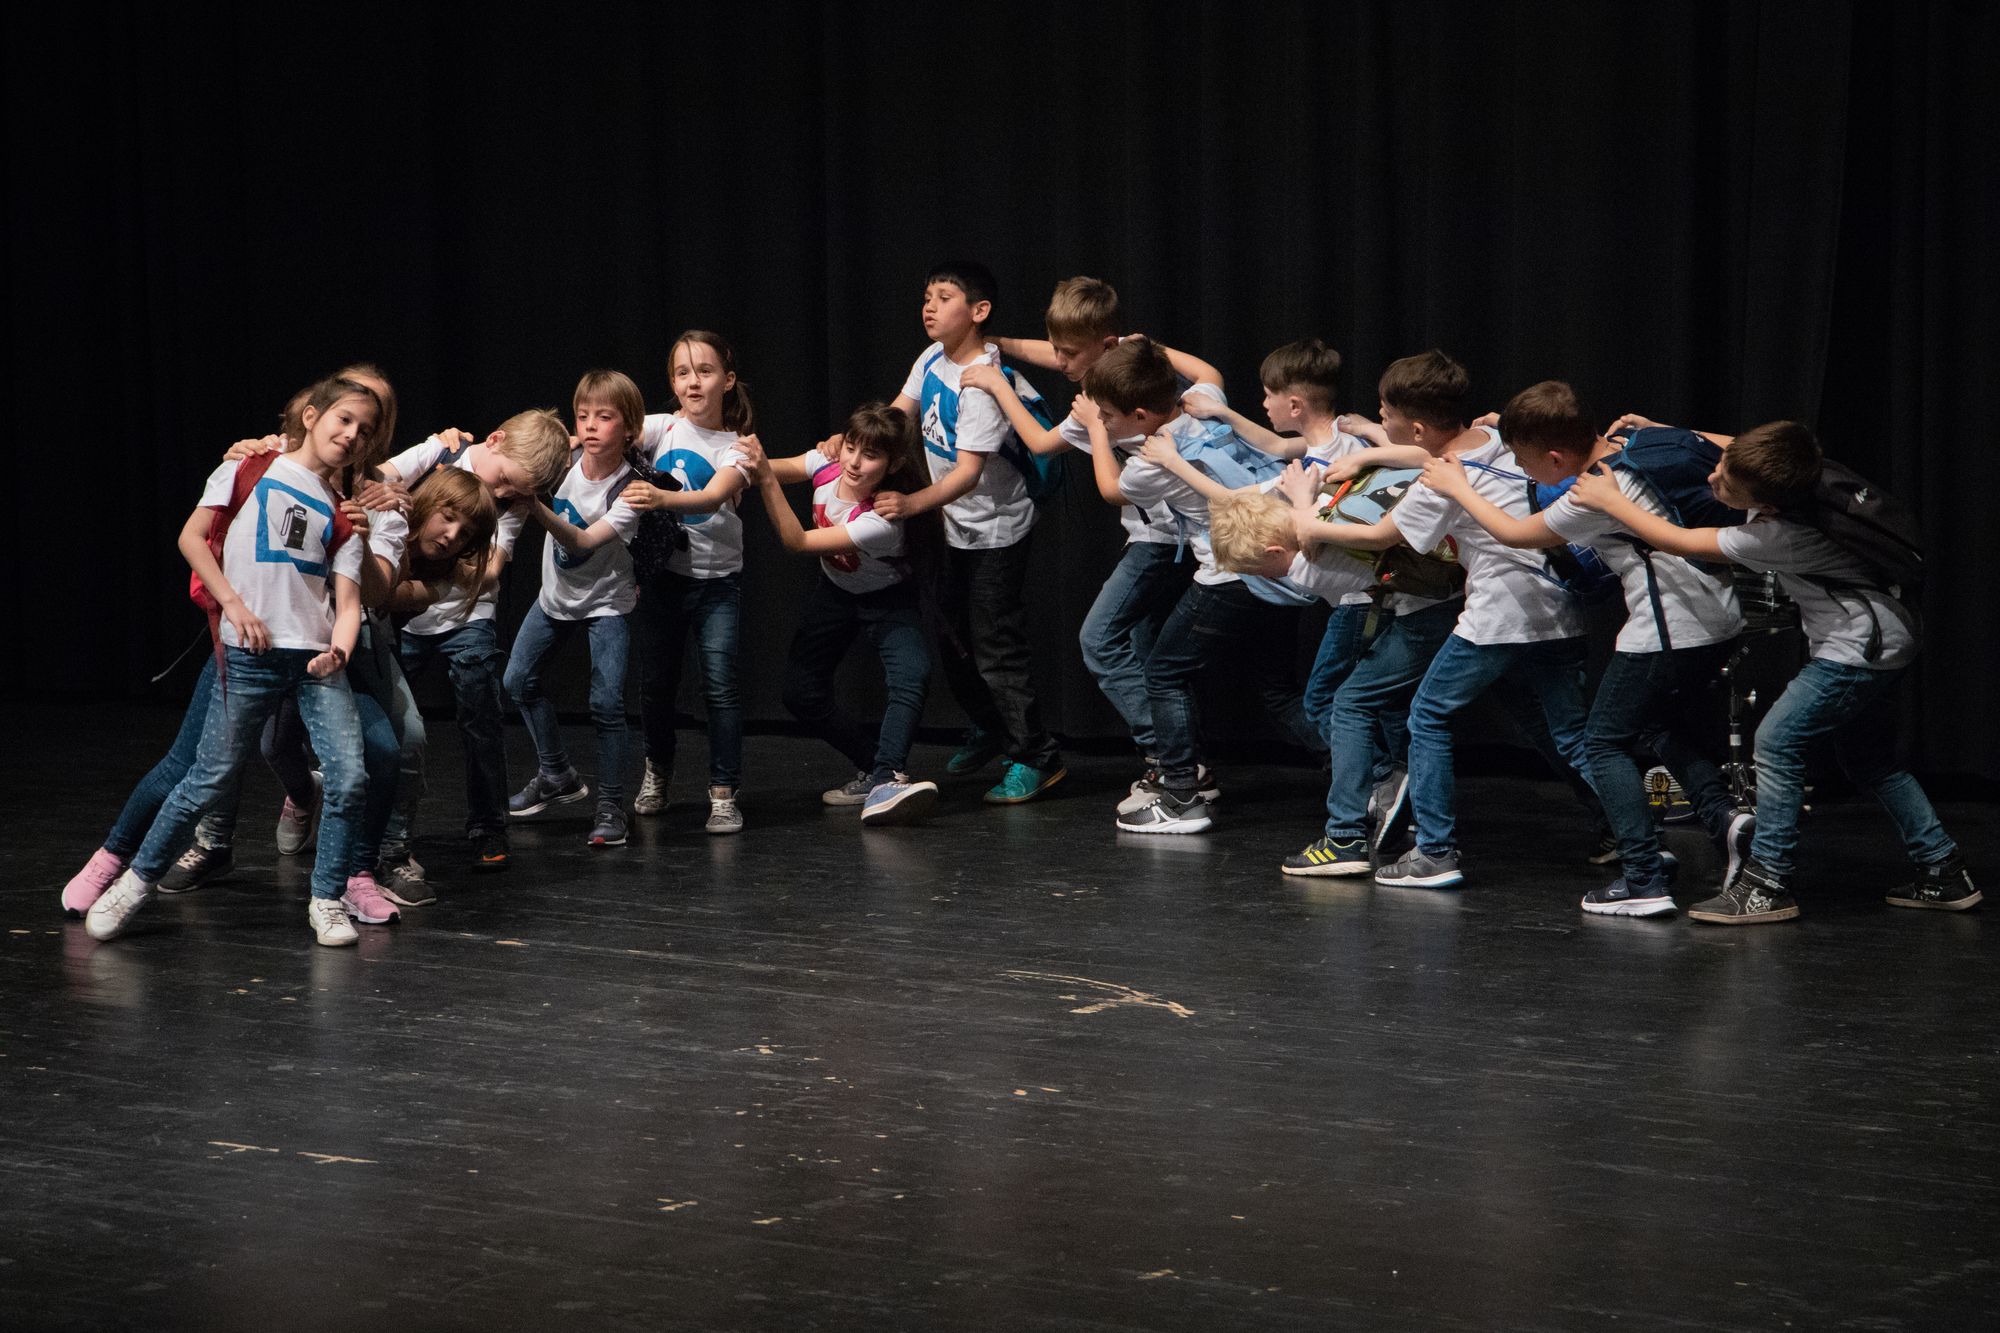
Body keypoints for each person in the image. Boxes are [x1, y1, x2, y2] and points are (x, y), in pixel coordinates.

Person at [1569, 420, 1979, 921]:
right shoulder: (1810, 473)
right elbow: (1732, 448)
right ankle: (1943, 869)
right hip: (1891, 632)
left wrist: (1613, 502)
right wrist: (1663, 429)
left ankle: (1766, 885)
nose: (1713, 478)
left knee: (1777, 741)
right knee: (1870, 761)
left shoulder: (1779, 535)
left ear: (1767, 503)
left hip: (1858, 648)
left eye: (1727, 483)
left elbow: (1679, 540)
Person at [1419, 382, 1748, 916]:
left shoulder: (1593, 494)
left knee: (1602, 745)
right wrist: (1663, 426)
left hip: (1669, 629)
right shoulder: (1638, 446)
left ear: (1555, 457)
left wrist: (1458, 486)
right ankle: (1724, 818)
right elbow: (1737, 445)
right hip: (1721, 615)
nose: (1522, 471)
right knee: (1655, 725)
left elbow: (1514, 532)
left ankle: (1643, 878)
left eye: (1524, 461)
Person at [79, 376, 380, 947]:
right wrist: (234, 606)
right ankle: (134, 883)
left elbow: (347, 604)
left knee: (349, 779)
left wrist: (338, 652)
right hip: (250, 654)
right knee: (208, 778)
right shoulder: (249, 468)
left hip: (314, 660)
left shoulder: (343, 515)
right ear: (312, 416)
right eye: (344, 419)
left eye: (364, 431)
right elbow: (192, 539)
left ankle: (326, 899)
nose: (351, 435)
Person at [964, 276, 1222, 794]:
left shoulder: (1104, 408)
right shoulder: (1131, 376)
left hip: (1163, 538)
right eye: (1054, 348)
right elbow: (1206, 373)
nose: (1059, 362)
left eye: (1069, 353)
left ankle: (1169, 755)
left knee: (1099, 641)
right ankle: (1184, 762)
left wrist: (998, 385)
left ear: (1107, 347)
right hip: (1175, 536)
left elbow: (1042, 443)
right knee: (1148, 651)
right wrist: (1000, 344)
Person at [1079, 338, 1320, 833]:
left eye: (1108, 414)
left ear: (1140, 415)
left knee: (1165, 672)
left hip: (1233, 572)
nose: (1102, 420)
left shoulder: (1149, 463)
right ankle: (1377, 773)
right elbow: (1207, 371)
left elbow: (1111, 489)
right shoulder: (1205, 405)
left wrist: (1093, 432)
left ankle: (1182, 794)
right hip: (1282, 567)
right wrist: (1147, 349)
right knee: (1277, 692)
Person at [875, 261, 1065, 804]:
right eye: (926, 296)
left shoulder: (983, 383)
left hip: (995, 533)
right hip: (952, 526)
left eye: (943, 297)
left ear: (979, 311)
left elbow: (967, 475)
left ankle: (1037, 757)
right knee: (951, 640)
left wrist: (910, 503)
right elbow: (898, 417)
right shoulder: (933, 357)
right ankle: (992, 726)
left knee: (996, 648)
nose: (929, 307)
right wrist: (858, 441)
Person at [377, 408, 574, 880]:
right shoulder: (440, 453)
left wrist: (438, 578)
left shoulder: (512, 504)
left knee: (481, 720)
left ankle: (488, 827)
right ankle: (358, 816)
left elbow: (490, 570)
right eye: (504, 480)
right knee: (383, 718)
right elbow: (376, 479)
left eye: (515, 491)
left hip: (466, 617)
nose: (502, 493)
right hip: (401, 614)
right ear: (495, 440)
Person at [745, 404, 943, 826]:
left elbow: (797, 542)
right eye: (851, 447)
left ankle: (888, 778)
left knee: (912, 674)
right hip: (836, 592)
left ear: (893, 465)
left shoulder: (881, 518)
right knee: (800, 693)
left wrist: (763, 478)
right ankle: (872, 766)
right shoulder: (829, 464)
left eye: (870, 456)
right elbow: (774, 467)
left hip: (887, 599)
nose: (853, 462)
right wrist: (734, 465)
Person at [505, 376, 647, 848]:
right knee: (516, 681)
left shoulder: (630, 489)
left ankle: (610, 806)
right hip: (555, 598)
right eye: (583, 416)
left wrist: (535, 507)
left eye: (604, 417)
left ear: (629, 429)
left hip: (607, 604)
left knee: (607, 704)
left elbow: (583, 541)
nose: (590, 426)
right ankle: (556, 774)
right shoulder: (563, 460)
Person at [621, 334, 754, 834]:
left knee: (719, 687)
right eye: (682, 373)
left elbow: (713, 497)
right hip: (664, 581)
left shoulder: (738, 447)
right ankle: (657, 771)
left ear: (728, 380)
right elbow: (606, 434)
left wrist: (659, 498)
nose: (693, 382)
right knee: (656, 685)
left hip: (717, 583)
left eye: (704, 371)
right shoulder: (662, 427)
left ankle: (723, 792)